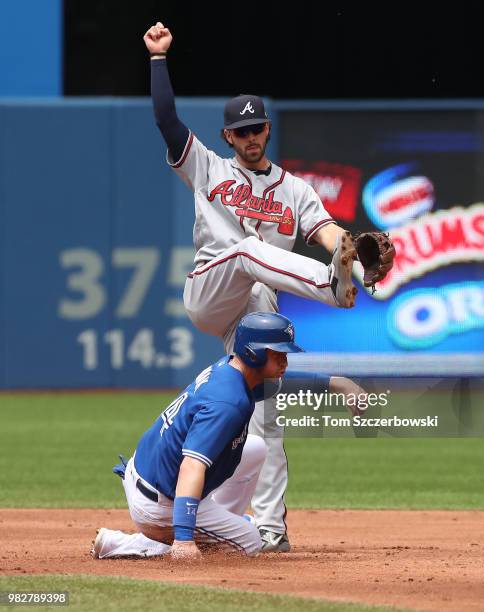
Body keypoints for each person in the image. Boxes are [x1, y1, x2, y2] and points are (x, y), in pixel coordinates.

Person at [142, 21, 394, 552]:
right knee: (245, 247)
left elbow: (327, 233)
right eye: (243, 131)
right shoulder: (207, 167)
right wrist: (159, 59)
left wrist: (350, 250)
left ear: (267, 131)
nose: (252, 137)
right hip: (211, 288)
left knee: (266, 421)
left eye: (259, 128)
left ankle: (269, 532)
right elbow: (166, 119)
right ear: (228, 137)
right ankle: (335, 290)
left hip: (253, 311)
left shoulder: (295, 189)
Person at [92, 312, 303, 560]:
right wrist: (183, 539)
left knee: (255, 447)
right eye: (277, 353)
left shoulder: (231, 369)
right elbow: (191, 466)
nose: (284, 361)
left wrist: (334, 383)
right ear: (253, 353)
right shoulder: (227, 402)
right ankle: (129, 543)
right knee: (249, 542)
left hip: (151, 473)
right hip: (159, 503)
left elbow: (286, 384)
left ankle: (215, 522)